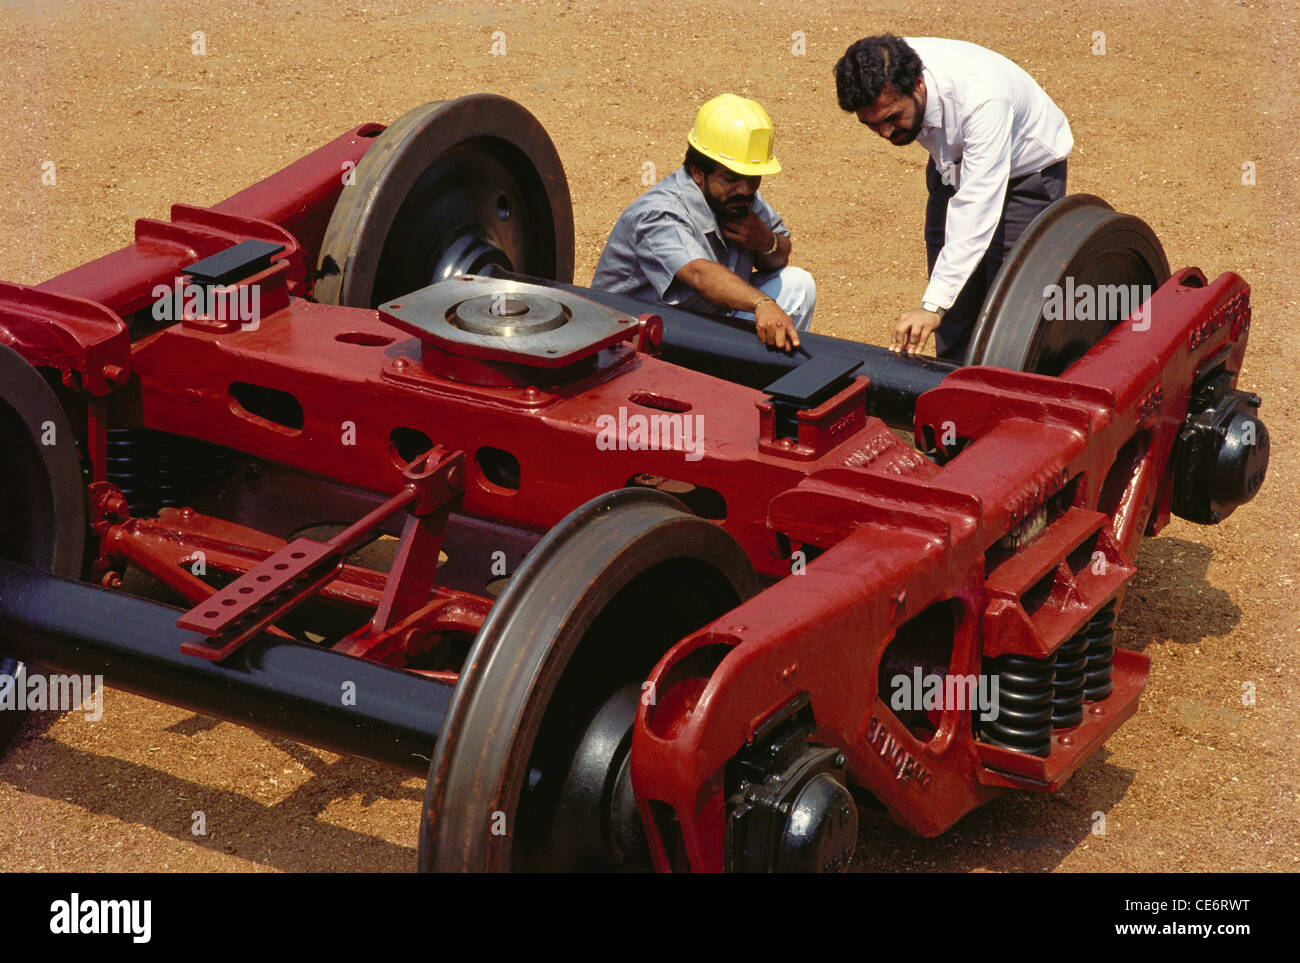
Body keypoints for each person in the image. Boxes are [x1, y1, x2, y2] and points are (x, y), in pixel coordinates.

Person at [834, 35, 1073, 359]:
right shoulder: (883, 65)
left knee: (1014, 308)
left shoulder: (981, 98)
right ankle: (956, 389)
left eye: (892, 118)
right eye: (871, 125)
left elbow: (976, 206)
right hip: (954, 163)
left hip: (1026, 174)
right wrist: (940, 306)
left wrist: (932, 306)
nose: (886, 134)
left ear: (918, 83)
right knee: (953, 299)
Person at [591, 94, 815, 352]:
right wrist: (761, 303)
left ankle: (754, 379)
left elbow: (780, 255)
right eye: (732, 177)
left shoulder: (739, 196)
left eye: (753, 178)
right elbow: (700, 274)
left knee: (799, 284)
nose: (745, 188)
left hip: (703, 322)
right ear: (698, 172)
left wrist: (766, 241)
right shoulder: (660, 213)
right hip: (633, 344)